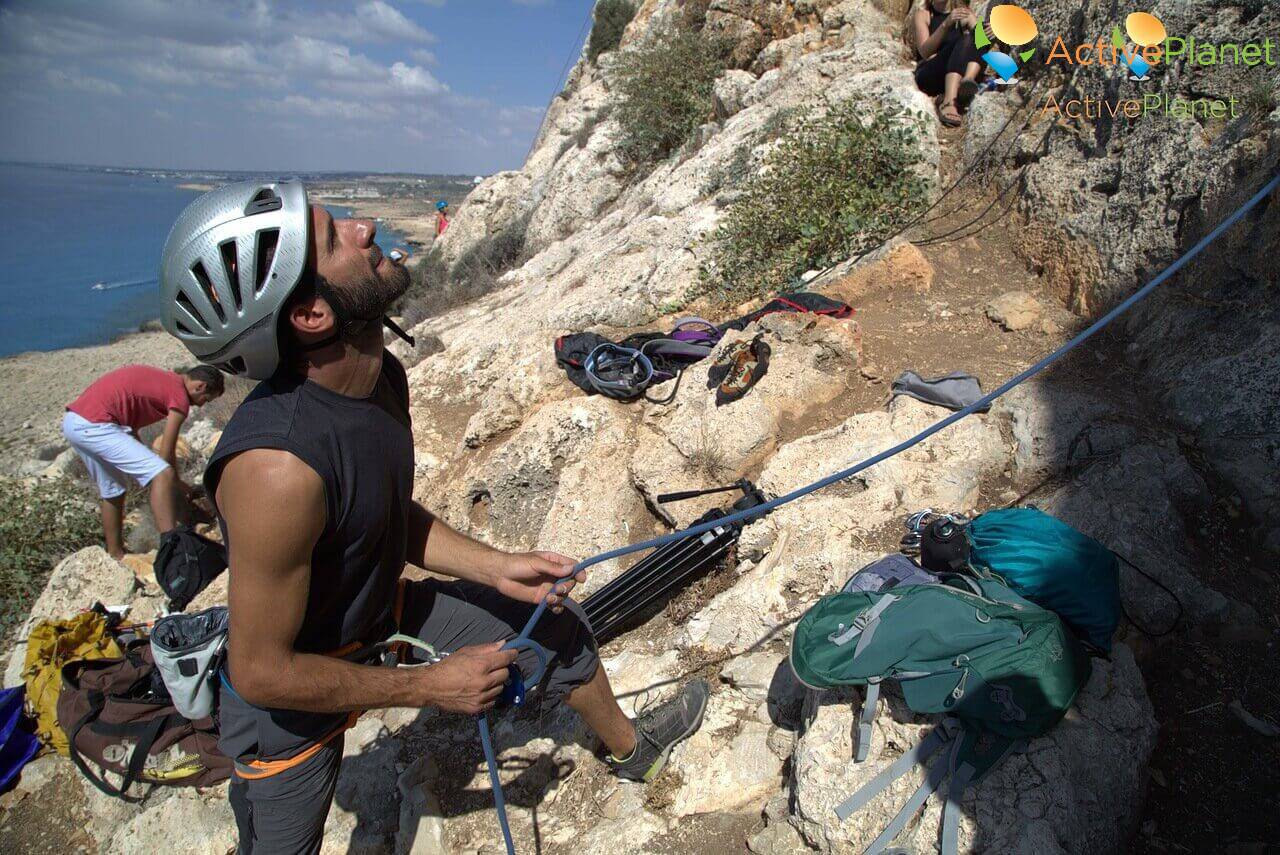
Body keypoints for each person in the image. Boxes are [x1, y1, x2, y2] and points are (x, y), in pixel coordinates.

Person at [158, 179, 709, 854]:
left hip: (377, 615)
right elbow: (263, 670)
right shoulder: (277, 469)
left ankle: (634, 749)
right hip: (289, 706)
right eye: (336, 239)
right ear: (310, 315)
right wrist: (428, 685)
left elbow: (379, 513)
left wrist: (498, 567)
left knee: (558, 627)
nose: (364, 229)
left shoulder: (380, 376)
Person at [63, 364, 224, 559]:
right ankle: (173, 549)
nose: (200, 405)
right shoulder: (179, 396)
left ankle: (115, 553)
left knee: (113, 490)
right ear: (200, 386)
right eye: (205, 400)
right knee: (162, 473)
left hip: (74, 422)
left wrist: (161, 474)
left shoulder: (164, 380)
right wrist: (179, 486)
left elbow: (130, 431)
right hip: (97, 425)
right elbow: (167, 452)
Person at [911, 0, 983, 128]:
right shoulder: (923, 14)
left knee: (973, 37)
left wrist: (985, 33)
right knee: (963, 39)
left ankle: (968, 79)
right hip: (930, 73)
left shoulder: (963, 12)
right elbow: (925, 52)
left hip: (956, 71)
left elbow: (982, 43)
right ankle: (949, 102)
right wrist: (946, 24)